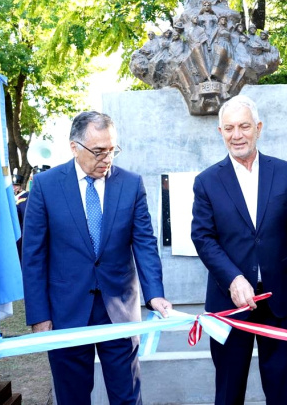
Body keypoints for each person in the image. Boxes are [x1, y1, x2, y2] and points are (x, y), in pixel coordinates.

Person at [22, 111, 172, 405]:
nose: (107, 159)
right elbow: (33, 256)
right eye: (99, 151)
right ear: (74, 147)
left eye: (112, 150)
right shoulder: (45, 185)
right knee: (73, 398)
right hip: (66, 312)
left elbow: (144, 243)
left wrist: (154, 294)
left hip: (119, 311)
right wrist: (39, 315)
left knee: (127, 397)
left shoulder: (131, 184)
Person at [191, 95, 287, 404]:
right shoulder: (206, 182)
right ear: (220, 132)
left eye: (244, 126)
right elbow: (203, 238)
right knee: (229, 392)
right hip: (230, 304)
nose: (237, 135)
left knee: (282, 393)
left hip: (280, 303)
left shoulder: (286, 173)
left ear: (258, 128)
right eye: (229, 128)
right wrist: (233, 279)